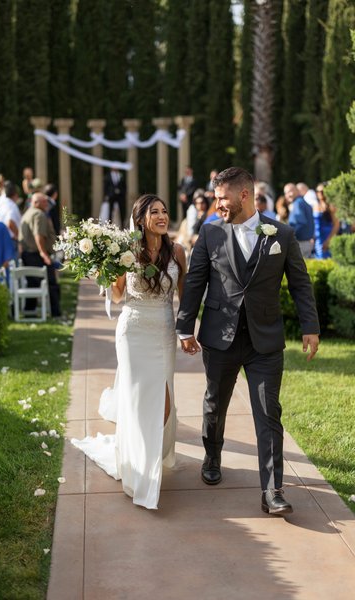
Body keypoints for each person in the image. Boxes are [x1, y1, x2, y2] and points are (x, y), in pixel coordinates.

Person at [176, 167, 320, 516]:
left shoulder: (281, 234)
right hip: (219, 337)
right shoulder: (209, 233)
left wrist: (310, 326)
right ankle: (212, 454)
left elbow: (300, 284)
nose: (217, 204)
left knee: (269, 413)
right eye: (216, 198)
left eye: (222, 198)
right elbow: (195, 282)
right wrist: (184, 327)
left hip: (265, 340)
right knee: (215, 404)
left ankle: (272, 490)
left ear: (245, 195)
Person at [71, 194, 187, 509]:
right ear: (140, 219)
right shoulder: (126, 253)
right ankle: (141, 475)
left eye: (165, 211)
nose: (162, 216)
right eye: (155, 212)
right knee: (137, 405)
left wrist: (187, 332)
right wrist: (104, 275)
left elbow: (185, 297)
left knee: (164, 403)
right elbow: (119, 296)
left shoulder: (177, 252)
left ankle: (154, 454)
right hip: (133, 332)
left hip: (163, 332)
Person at [19, 193, 61, 317]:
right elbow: (39, 235)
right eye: (44, 202)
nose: (46, 204)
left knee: (32, 283)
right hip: (37, 255)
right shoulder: (39, 214)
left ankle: (29, 312)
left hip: (28, 254)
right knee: (52, 284)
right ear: (36, 202)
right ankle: (55, 313)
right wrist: (44, 253)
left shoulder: (28, 212)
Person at [284, 182, 314, 258]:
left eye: (291, 191)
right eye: (287, 193)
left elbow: (301, 223)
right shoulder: (303, 202)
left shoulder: (298, 203)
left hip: (301, 243)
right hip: (306, 242)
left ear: (297, 191)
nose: (288, 195)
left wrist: (288, 235)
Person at [0, 180, 21, 259]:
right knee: (12, 268)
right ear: (15, 195)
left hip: (1, 238)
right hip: (10, 240)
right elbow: (10, 222)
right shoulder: (11, 205)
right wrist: (18, 237)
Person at [313, 182, 340, 258]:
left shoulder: (332, 206)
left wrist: (328, 241)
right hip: (318, 239)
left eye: (322, 191)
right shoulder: (315, 206)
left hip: (328, 237)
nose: (319, 193)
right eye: (317, 191)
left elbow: (337, 225)